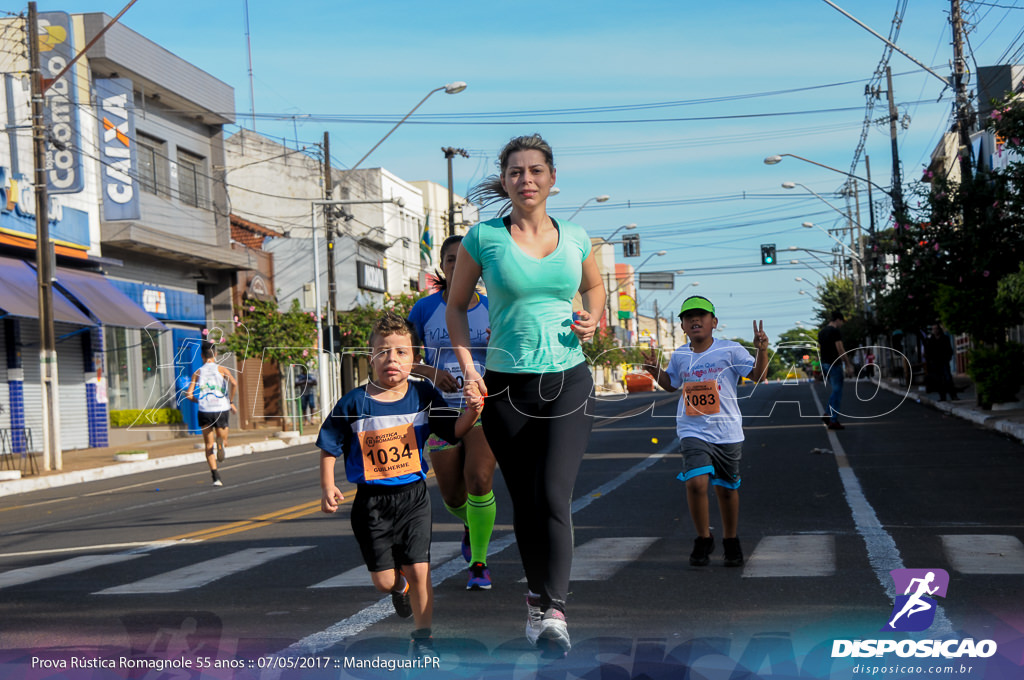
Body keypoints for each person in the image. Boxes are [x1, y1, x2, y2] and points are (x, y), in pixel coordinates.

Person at [446, 133, 606, 653]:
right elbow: (456, 306)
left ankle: (555, 609)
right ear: (505, 180)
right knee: (527, 500)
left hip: (568, 378)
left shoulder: (578, 236)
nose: (526, 180)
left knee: (555, 494)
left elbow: (596, 289)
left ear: (552, 179)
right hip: (504, 386)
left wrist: (593, 320)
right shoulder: (483, 238)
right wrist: (470, 369)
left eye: (536, 171)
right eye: (516, 172)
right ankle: (536, 599)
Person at [317, 312, 480, 658]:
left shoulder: (423, 394)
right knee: (384, 581)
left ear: (414, 359)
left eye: (401, 352)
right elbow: (329, 443)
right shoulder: (353, 402)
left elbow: (452, 431)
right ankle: (398, 586)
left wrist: (473, 411)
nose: (392, 359)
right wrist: (328, 485)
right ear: (370, 356)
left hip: (414, 497)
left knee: (421, 569)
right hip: (371, 502)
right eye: (383, 352)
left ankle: (423, 638)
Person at [640, 296, 769, 568]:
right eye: (688, 317)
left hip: (727, 431)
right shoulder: (680, 355)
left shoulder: (731, 350)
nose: (695, 320)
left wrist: (762, 350)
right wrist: (654, 370)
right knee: (696, 483)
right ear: (683, 326)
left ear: (714, 322)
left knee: (725, 489)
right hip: (692, 429)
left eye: (701, 316)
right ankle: (703, 537)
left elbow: (757, 375)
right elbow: (671, 384)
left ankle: (731, 540)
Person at [408, 234, 498, 591]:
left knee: (479, 479)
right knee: (453, 496)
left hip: (483, 405)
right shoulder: (423, 309)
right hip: (439, 410)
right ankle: (471, 523)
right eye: (450, 260)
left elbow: (516, 356)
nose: (458, 266)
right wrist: (432, 373)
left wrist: (498, 347)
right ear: (442, 266)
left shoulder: (495, 307)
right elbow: (405, 357)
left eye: (465, 260)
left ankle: (479, 562)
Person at [186, 341, 238, 486]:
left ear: (202, 356)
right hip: (221, 408)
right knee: (223, 438)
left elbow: (188, 394)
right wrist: (231, 401)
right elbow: (234, 383)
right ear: (215, 354)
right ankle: (221, 442)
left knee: (208, 445)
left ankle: (215, 477)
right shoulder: (222, 370)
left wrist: (198, 400)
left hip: (204, 410)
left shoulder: (198, 372)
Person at [817, 311, 854, 430]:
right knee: (837, 391)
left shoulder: (821, 332)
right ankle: (833, 419)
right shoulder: (835, 331)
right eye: (841, 322)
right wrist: (848, 364)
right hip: (834, 364)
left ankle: (828, 414)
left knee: (835, 391)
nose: (841, 324)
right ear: (838, 320)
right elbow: (840, 348)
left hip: (824, 364)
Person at [924, 323, 958, 401]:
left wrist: (948, 358)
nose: (935, 331)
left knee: (948, 378)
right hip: (935, 363)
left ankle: (953, 395)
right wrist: (930, 361)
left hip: (944, 361)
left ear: (939, 329)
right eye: (933, 329)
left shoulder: (945, 338)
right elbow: (928, 352)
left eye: (936, 329)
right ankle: (942, 397)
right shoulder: (931, 340)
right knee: (939, 380)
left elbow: (949, 349)